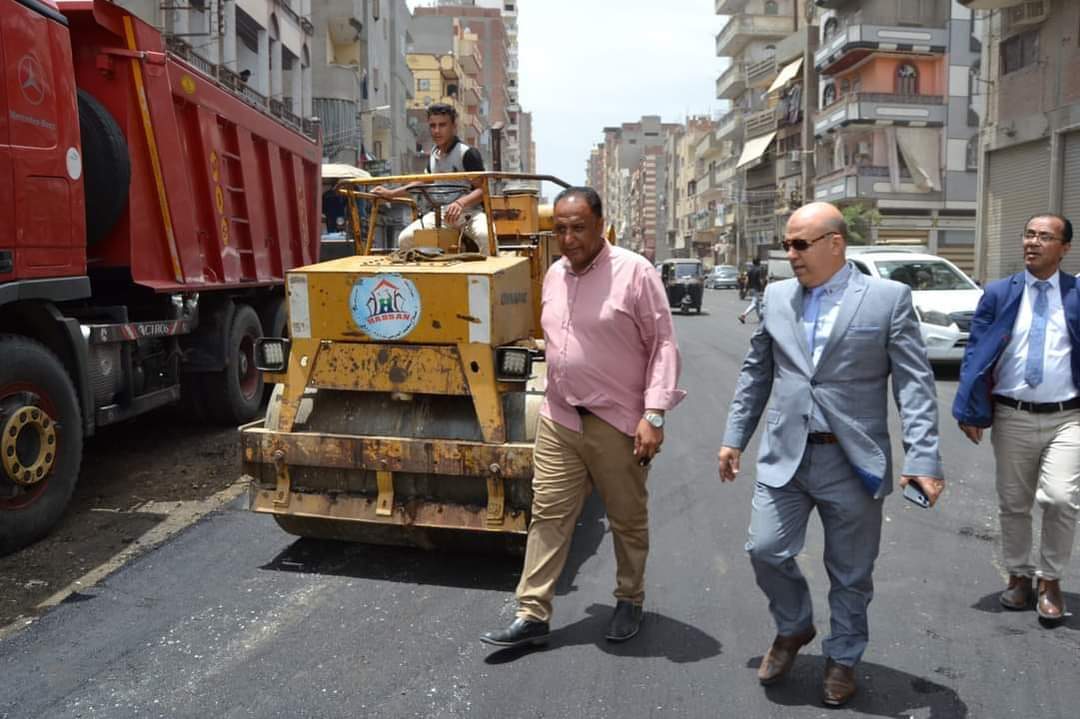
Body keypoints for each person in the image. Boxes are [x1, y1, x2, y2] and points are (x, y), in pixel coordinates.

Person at [717, 202, 944, 707]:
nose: (791, 254)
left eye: (800, 244)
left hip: (853, 460)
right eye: (787, 245)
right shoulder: (777, 296)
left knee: (851, 573)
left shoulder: (887, 299)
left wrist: (923, 459)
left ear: (835, 244)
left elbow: (914, 385)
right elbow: (757, 372)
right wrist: (735, 437)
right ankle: (794, 626)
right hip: (786, 454)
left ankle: (843, 658)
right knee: (765, 549)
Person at [480, 187, 685, 649]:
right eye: (561, 229)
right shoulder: (554, 275)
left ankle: (629, 598)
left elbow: (663, 345)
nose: (569, 238)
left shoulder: (635, 272)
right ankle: (532, 613)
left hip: (616, 422)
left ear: (600, 226)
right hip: (559, 417)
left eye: (578, 228)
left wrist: (654, 414)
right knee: (548, 513)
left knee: (626, 517)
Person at [953, 213, 1080, 624]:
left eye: (1045, 236)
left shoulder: (1076, 294)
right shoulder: (998, 293)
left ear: (1064, 248)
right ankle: (1020, 575)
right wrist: (969, 408)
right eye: (1029, 234)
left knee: (1060, 499)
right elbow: (976, 353)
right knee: (1014, 503)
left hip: (1068, 417)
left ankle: (1051, 579)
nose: (1033, 242)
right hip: (1013, 415)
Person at [372, 104, 489, 254]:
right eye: (433, 126)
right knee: (405, 239)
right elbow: (422, 182)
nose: (437, 131)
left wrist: (460, 203)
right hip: (441, 215)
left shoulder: (466, 153)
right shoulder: (433, 155)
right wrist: (391, 194)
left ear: (454, 126)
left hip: (469, 214)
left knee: (486, 236)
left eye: (442, 125)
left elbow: (482, 190)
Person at [738, 258, 766, 324]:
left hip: (751, 288)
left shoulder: (750, 270)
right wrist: (763, 286)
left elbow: (747, 280)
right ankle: (743, 315)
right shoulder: (759, 270)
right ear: (758, 262)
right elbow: (760, 280)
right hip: (757, 288)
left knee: (757, 304)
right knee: (754, 303)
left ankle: (761, 318)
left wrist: (745, 288)